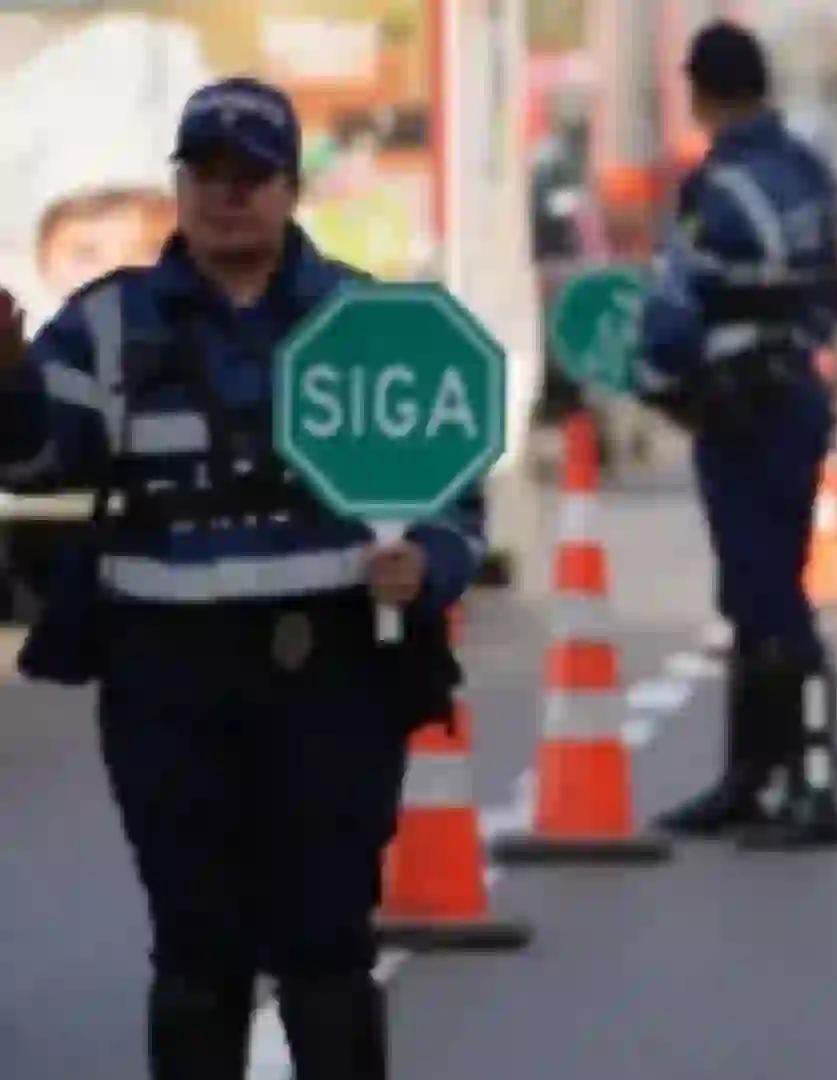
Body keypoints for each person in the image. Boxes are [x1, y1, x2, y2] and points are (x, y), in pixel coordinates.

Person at [0, 76, 479, 1078]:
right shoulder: (110, 325)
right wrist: (4, 385)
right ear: (179, 186)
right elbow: (36, 457)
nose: (229, 195)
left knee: (327, 949)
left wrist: (426, 562)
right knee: (198, 953)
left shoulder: (364, 317)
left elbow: (452, 487)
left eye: (252, 175)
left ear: (290, 189)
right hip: (167, 683)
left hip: (333, 674)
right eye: (209, 174)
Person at [634, 20, 837, 851]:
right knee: (761, 589)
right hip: (793, 398)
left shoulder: (718, 187)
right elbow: (834, 294)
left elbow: (676, 306)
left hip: (735, 410)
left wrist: (661, 384)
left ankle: (812, 786)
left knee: (767, 597)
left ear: (703, 93)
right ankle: (752, 780)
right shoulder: (811, 175)